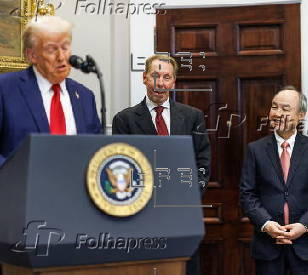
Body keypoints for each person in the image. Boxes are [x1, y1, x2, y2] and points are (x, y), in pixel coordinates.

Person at [112, 54, 211, 275]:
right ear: (144, 78)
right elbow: (121, 168)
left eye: (166, 77)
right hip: (140, 216)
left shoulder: (192, 116)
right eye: (155, 76)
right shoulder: (124, 120)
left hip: (183, 213)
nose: (160, 83)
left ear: (173, 82)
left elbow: (202, 161)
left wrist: (190, 196)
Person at [240, 86, 308, 275]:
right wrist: (267, 224)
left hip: (305, 245)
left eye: (285, 109)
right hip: (267, 245)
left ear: (300, 115)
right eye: (274, 107)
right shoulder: (255, 150)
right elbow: (247, 194)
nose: (278, 113)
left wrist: (303, 225)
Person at [0, 16, 101, 166]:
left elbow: (96, 149)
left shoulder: (84, 96)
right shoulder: (5, 89)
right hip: (21, 186)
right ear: (32, 55)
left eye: (65, 47)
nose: (61, 57)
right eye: (52, 49)